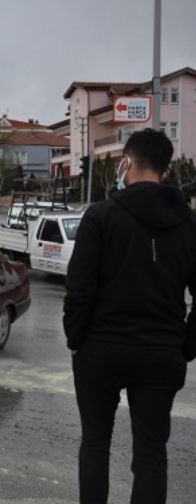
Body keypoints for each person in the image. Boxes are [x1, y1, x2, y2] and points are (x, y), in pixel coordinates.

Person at [63, 128, 196, 504]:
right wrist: (186, 345)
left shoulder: (101, 216)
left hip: (101, 351)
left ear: (126, 161)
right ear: (166, 171)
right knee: (151, 454)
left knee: (95, 444)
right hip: (161, 354)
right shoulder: (189, 224)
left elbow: (79, 289)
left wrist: (77, 340)